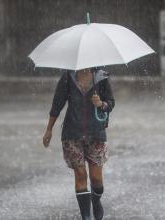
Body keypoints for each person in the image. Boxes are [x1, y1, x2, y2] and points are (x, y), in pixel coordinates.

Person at [42, 67, 115, 220]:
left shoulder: (101, 76)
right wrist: (49, 129)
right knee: (81, 175)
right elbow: (57, 103)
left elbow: (111, 103)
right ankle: (86, 217)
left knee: (96, 179)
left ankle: (95, 201)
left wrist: (101, 104)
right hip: (72, 133)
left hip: (96, 134)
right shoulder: (68, 77)